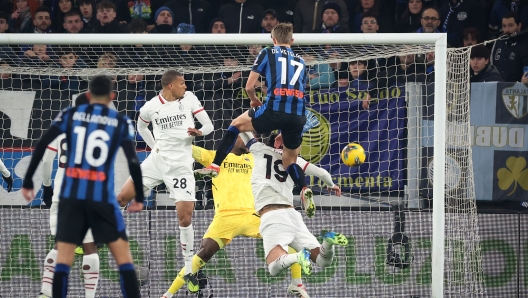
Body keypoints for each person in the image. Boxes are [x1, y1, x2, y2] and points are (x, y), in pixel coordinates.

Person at [21, 76, 145, 298]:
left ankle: (47, 293)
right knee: (116, 256)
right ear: (111, 96)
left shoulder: (68, 119)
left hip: (68, 194)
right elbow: (133, 161)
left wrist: (36, 183)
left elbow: (44, 153)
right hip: (100, 196)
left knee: (62, 250)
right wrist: (140, 197)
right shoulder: (118, 121)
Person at [196, 23, 315, 217]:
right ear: (292, 41)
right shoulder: (301, 61)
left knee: (236, 124)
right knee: (289, 159)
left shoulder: (268, 52)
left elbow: (249, 86)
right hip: (298, 114)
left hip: (274, 108)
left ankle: (215, 166)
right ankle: (303, 188)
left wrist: (254, 100)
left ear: (273, 40)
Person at [116, 70, 214, 286]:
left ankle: (189, 270)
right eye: (182, 83)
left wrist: (200, 132)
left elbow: (209, 125)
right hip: (157, 161)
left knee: (185, 217)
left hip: (180, 166)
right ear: (170, 85)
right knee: (121, 198)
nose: (185, 86)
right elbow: (140, 126)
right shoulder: (150, 107)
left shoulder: (190, 99)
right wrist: (154, 147)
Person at [240, 131, 347, 278]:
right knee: (323, 261)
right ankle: (328, 242)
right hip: (293, 215)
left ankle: (298, 257)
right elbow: (322, 173)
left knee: (273, 267)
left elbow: (241, 127)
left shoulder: (258, 149)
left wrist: (254, 114)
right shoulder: (295, 160)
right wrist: (331, 184)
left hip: (272, 216)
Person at [37, 93, 101, 298]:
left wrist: (47, 187)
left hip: (63, 193)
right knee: (90, 246)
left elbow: (46, 161)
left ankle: (46, 293)